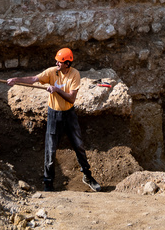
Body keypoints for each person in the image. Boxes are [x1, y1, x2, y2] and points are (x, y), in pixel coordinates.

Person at [7, 47, 102, 192]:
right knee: (50, 151)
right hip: (54, 115)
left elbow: (71, 98)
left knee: (79, 146)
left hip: (69, 115)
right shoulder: (52, 72)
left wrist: (57, 90)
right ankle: (48, 183)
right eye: (57, 62)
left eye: (59, 62)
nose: (57, 64)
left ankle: (87, 176)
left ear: (67, 63)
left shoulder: (74, 74)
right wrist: (16, 80)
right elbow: (34, 79)